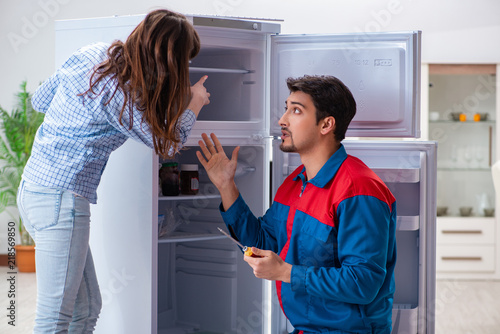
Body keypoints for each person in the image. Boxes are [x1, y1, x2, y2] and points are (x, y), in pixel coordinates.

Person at [17, 9, 210, 333]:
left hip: (34, 191)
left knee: (88, 309)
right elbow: (168, 145)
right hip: (62, 203)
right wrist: (194, 102)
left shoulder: (90, 54)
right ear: (168, 59)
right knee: (54, 319)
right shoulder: (123, 96)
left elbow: (39, 101)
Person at [197, 75, 397, 333]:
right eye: (286, 108)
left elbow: (363, 283)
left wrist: (287, 272)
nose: (282, 120)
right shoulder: (295, 182)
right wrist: (226, 186)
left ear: (326, 125)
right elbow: (263, 242)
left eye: (296, 110)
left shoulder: (359, 189)